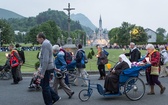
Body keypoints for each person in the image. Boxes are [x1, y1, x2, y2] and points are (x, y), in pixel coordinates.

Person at [37, 33, 60, 105]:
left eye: (37, 38)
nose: (37, 40)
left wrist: (42, 73)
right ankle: (55, 97)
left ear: (41, 38)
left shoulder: (45, 44)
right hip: (49, 67)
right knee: (44, 85)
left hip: (46, 68)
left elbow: (46, 60)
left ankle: (49, 103)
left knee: (45, 87)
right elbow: (51, 57)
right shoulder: (47, 43)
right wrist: (54, 67)